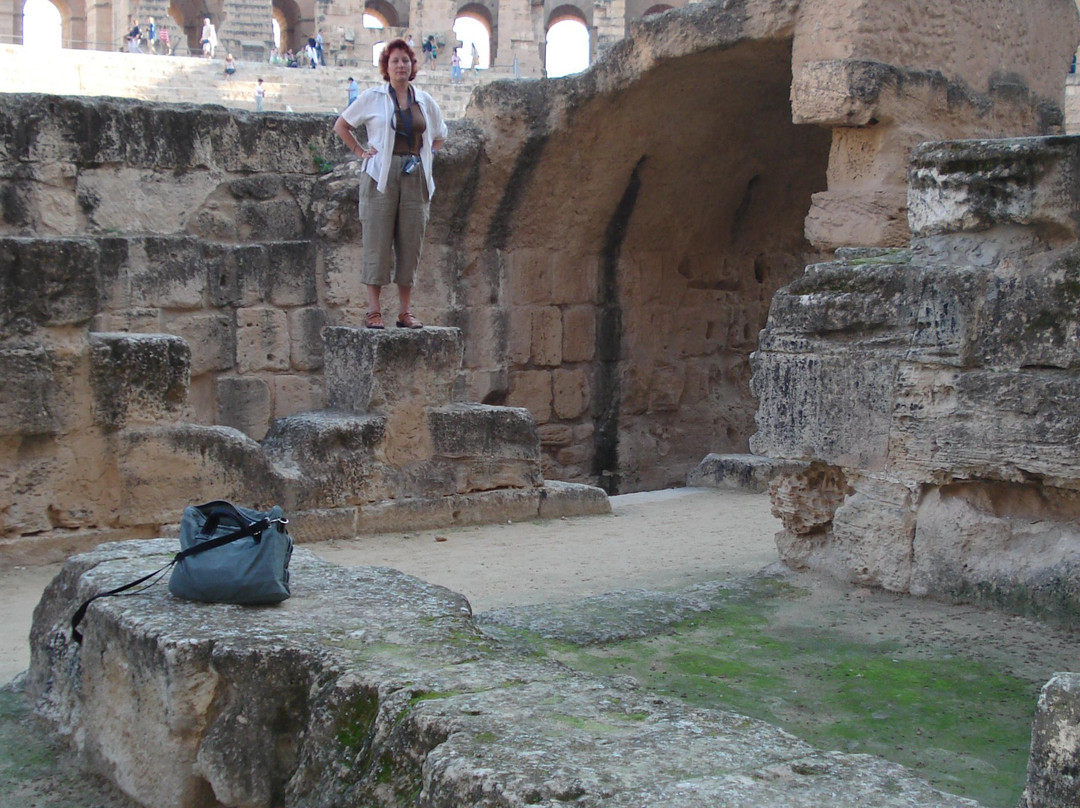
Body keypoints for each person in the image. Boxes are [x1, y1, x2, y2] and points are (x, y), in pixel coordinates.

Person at [332, 38, 447, 330]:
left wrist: (427, 154)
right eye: (395, 61)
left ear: (412, 66)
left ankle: (405, 311)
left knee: (411, 242)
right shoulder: (373, 97)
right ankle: (373, 311)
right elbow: (341, 125)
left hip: (414, 174)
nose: (401, 65)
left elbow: (440, 134)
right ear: (387, 66)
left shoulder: (424, 100)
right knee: (377, 240)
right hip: (380, 175)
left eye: (405, 61)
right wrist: (360, 151)